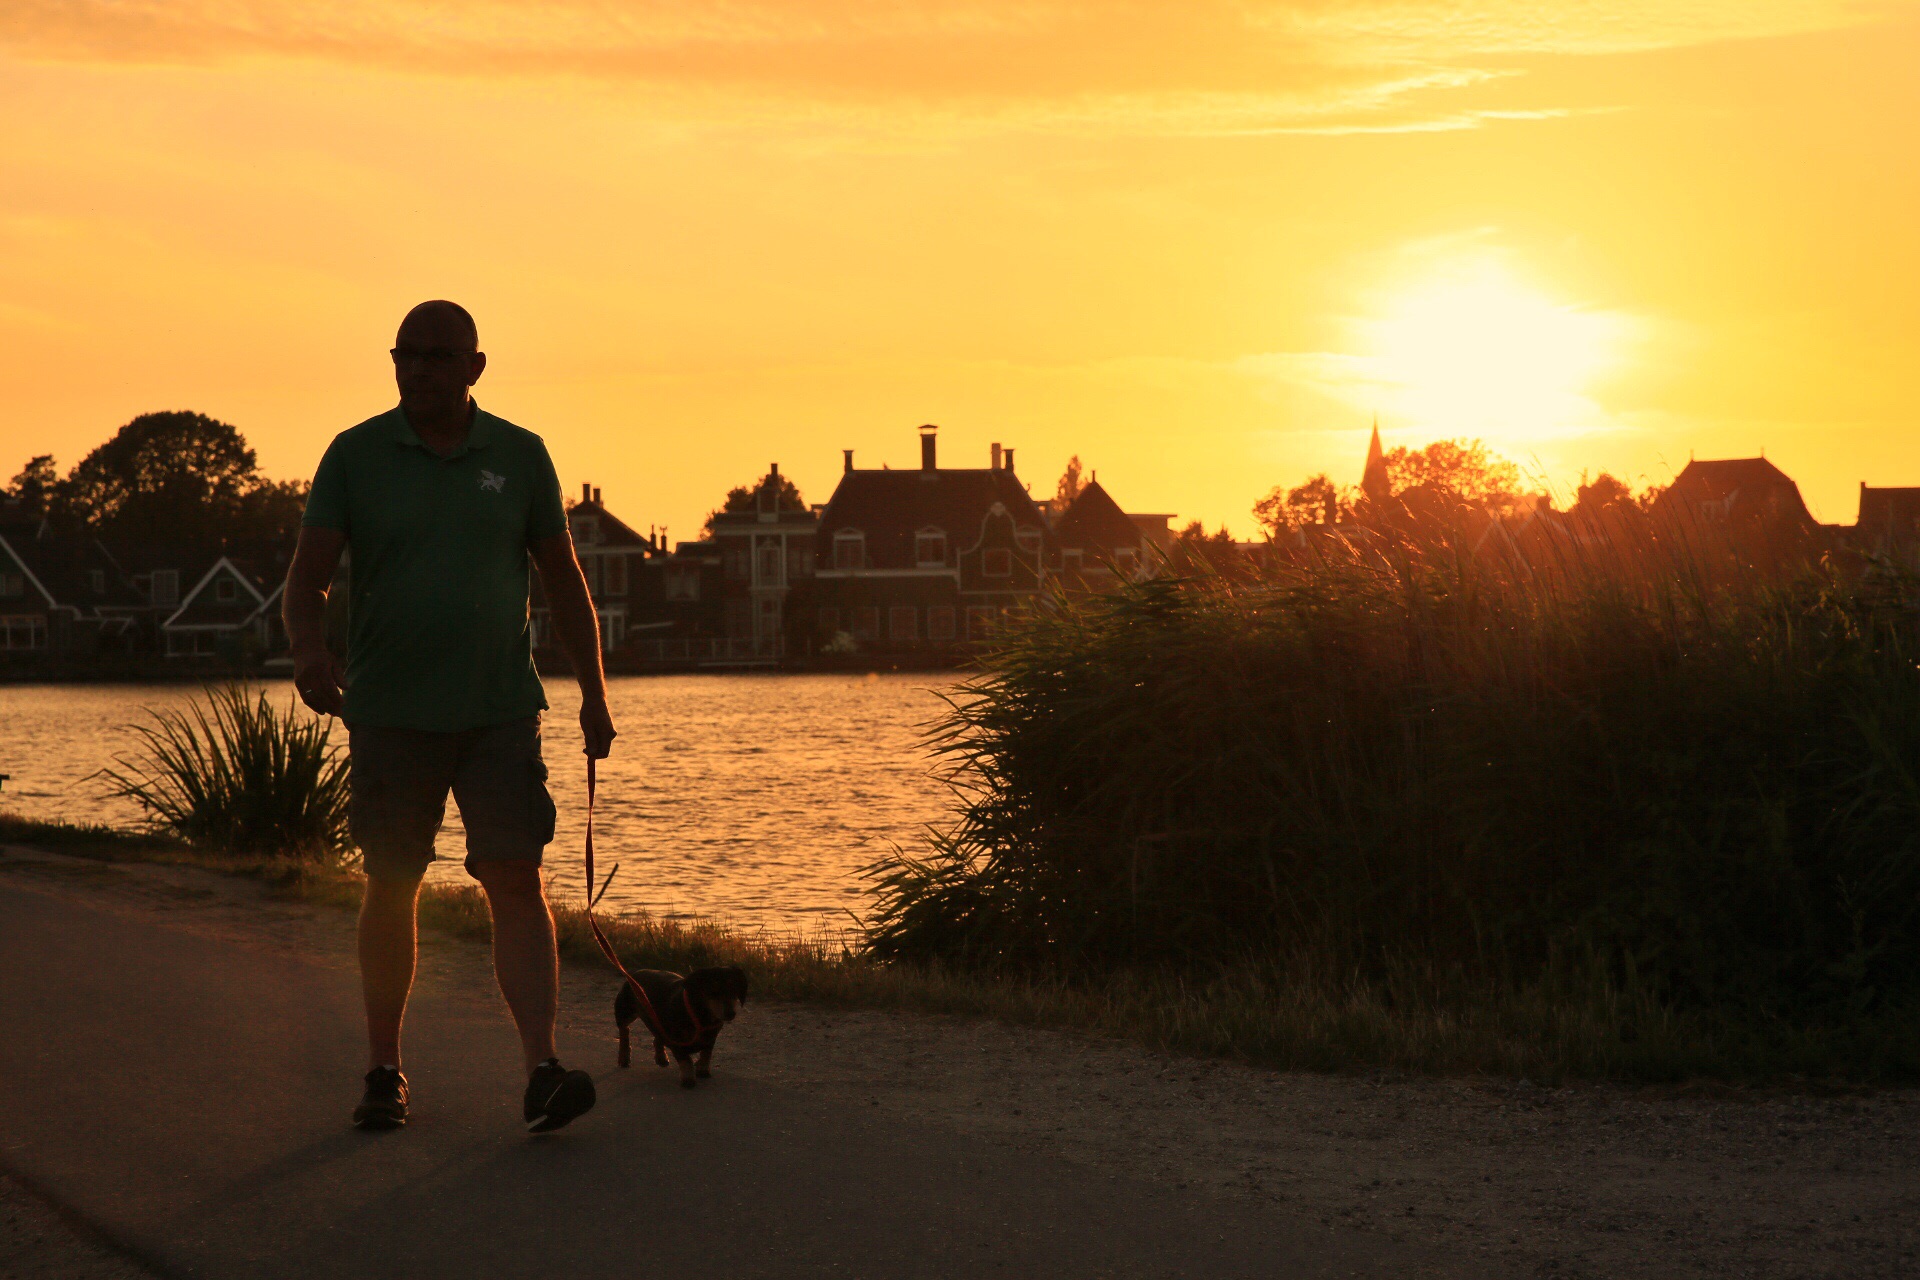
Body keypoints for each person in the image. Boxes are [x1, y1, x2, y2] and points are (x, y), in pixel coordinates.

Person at [283, 300, 618, 1133]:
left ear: (474, 367)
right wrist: (309, 655)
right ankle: (383, 1069)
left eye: (439, 357)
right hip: (390, 713)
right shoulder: (356, 456)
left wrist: (596, 693)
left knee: (515, 877)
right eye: (407, 355)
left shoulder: (519, 455)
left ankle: (541, 1068)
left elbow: (565, 582)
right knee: (392, 883)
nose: (420, 369)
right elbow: (308, 579)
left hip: (498, 711)